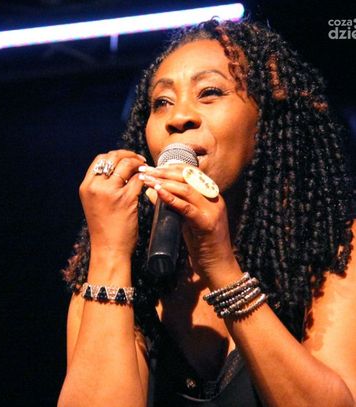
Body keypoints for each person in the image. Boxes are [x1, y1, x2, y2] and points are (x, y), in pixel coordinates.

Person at [57, 18, 356, 407]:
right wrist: (110, 255)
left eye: (210, 92)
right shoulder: (117, 269)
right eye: (161, 102)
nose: (178, 117)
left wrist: (221, 268)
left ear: (266, 119)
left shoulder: (333, 246)